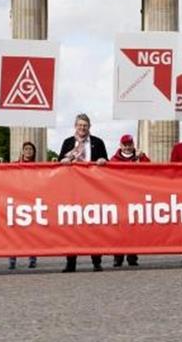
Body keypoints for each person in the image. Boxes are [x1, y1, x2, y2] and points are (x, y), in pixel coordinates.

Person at [60, 113, 108, 272]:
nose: (82, 128)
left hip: (93, 189)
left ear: (89, 127)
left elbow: (105, 160)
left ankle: (96, 260)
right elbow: (60, 162)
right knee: (72, 225)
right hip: (72, 189)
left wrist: (102, 161)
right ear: (75, 126)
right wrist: (64, 161)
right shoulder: (68, 143)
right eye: (80, 125)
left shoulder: (97, 142)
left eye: (85, 125)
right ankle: (71, 262)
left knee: (94, 225)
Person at [110, 134, 149, 267]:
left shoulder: (139, 157)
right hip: (119, 197)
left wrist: (142, 158)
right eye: (125, 145)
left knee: (133, 228)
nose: (127, 147)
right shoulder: (114, 160)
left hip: (135, 197)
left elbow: (151, 170)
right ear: (120, 146)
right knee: (119, 228)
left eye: (129, 144)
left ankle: (132, 255)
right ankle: (118, 256)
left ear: (133, 145)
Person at [9, 141, 39, 270]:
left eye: (30, 149)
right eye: (26, 149)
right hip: (16, 202)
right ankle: (12, 259)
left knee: (32, 233)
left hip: (32, 202)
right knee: (14, 233)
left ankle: (32, 258)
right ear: (22, 151)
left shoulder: (38, 167)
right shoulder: (14, 166)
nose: (28, 151)